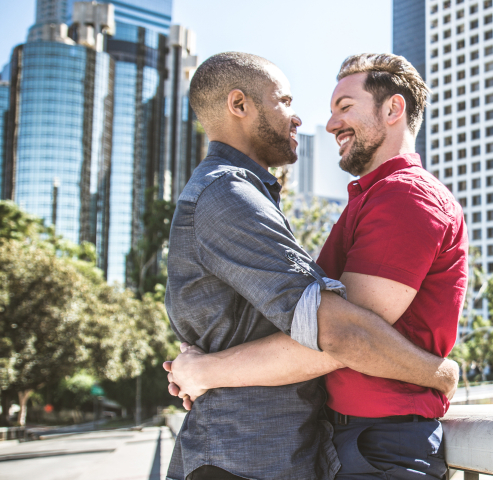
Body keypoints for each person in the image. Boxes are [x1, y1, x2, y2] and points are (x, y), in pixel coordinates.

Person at [167, 53, 468, 480]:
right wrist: (438, 372)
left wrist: (203, 371)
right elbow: (343, 334)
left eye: (344, 107)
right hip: (271, 448)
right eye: (287, 101)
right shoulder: (231, 193)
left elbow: (348, 333)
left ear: (393, 109)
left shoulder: (405, 197)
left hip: (373, 446)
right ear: (238, 105)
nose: (325, 124)